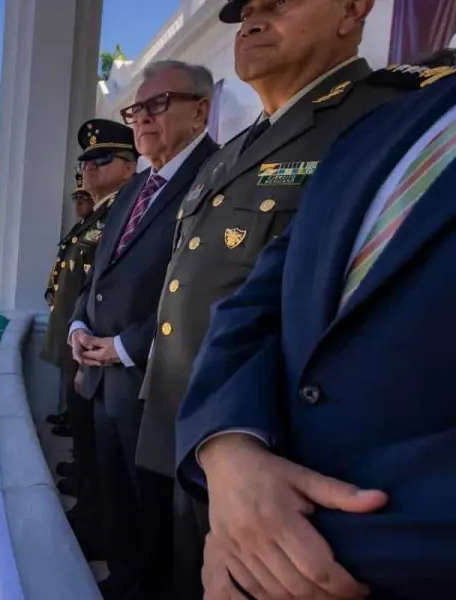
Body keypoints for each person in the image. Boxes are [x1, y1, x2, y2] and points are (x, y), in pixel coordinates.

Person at [137, 0, 430, 591]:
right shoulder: (236, 151)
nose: (252, 21)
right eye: (246, 12)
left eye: (279, 4)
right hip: (193, 427)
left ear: (353, 10)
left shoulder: (390, 120)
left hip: (278, 464)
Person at [67, 62, 220, 600]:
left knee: (157, 515)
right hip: (105, 379)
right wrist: (80, 324)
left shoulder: (215, 176)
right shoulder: (137, 189)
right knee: (120, 506)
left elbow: (209, 287)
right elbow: (101, 275)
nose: (144, 118)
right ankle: (125, 582)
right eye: (137, 109)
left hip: (158, 381)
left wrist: (125, 346)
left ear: (200, 109)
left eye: (160, 104)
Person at [38, 119, 137, 559]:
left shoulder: (123, 213)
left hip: (102, 353)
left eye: (102, 159)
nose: (89, 168)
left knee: (101, 453)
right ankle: (90, 507)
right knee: (85, 438)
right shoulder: (99, 214)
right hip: (78, 338)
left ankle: (99, 525)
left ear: (131, 166)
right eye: (86, 161)